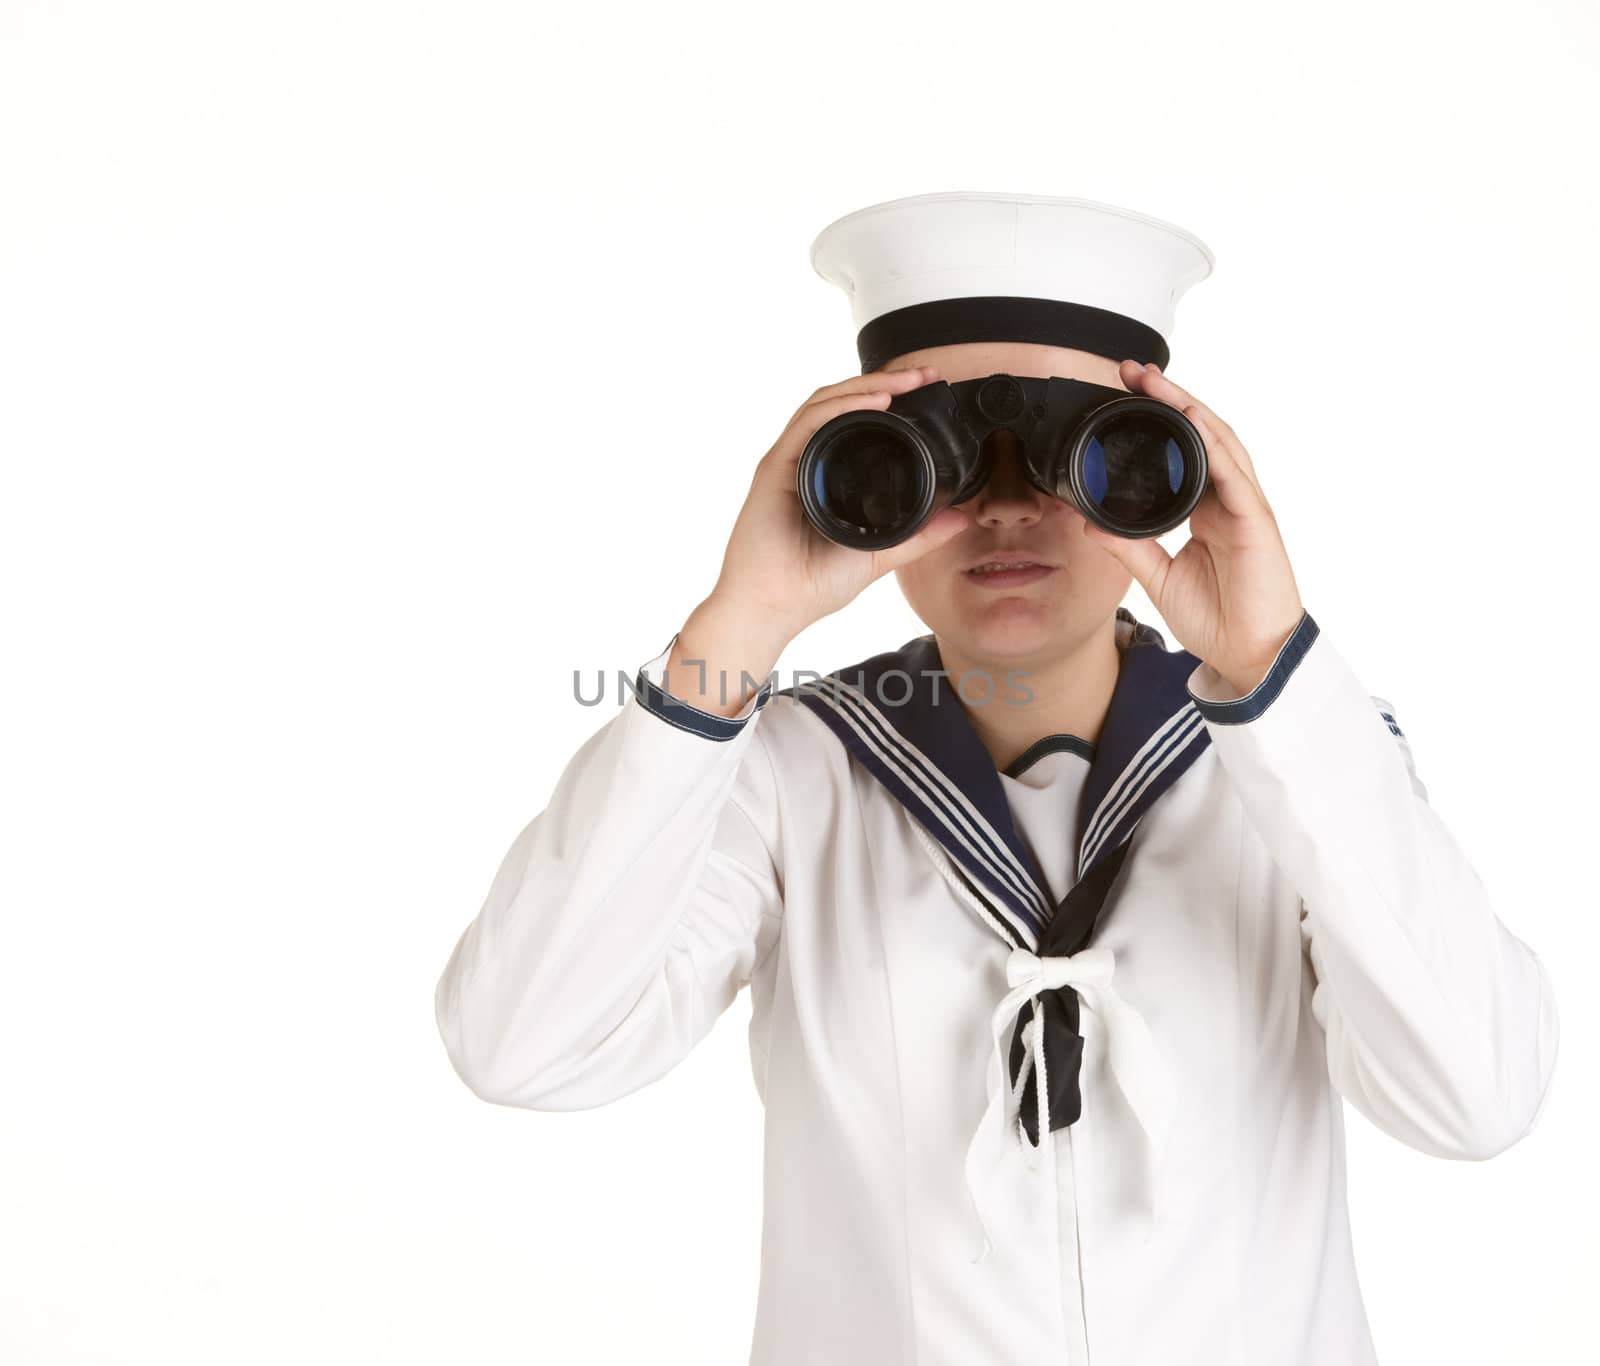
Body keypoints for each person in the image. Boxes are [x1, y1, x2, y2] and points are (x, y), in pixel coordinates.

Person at [433, 192, 1559, 1365]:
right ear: (861, 471)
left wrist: (1275, 676)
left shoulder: (1303, 760)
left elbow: (1477, 1100)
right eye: (946, 457)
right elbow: (521, 1047)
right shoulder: (784, 772)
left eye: (1081, 455)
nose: (1010, 507)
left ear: (1166, 471)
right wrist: (737, 633)